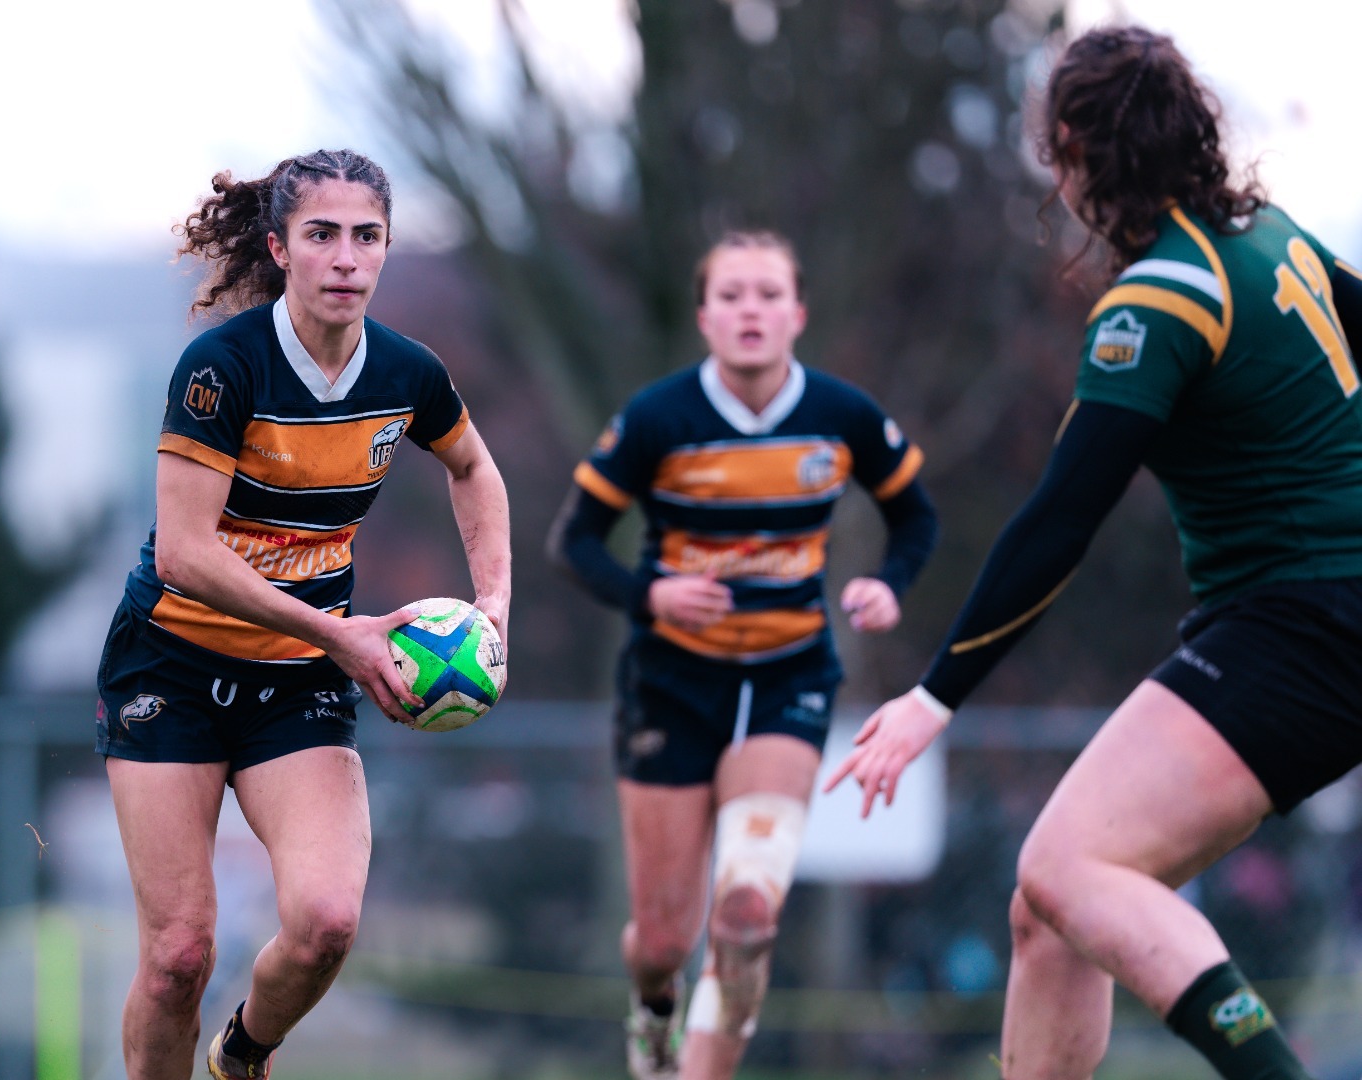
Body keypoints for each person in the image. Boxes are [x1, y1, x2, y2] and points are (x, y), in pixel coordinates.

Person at [827, 26, 1362, 1080]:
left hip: (1300, 626)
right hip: (1314, 622)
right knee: (1047, 910)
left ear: (1075, 149)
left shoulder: (1161, 299)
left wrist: (935, 699)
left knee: (1069, 864)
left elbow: (1058, 521)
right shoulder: (1280, 240)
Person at [96, 148, 511, 1080]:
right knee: (177, 958)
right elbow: (183, 554)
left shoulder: (408, 373)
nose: (345, 258)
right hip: (170, 666)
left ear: (388, 248)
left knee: (326, 923)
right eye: (321, 235)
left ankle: (243, 1054)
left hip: (297, 685)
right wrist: (342, 635)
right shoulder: (221, 369)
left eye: (366, 237)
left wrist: (494, 607)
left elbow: (476, 468)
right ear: (280, 248)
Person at [550, 230, 938, 1079]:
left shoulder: (843, 416)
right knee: (661, 941)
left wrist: (890, 585)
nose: (750, 310)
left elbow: (917, 515)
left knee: (748, 915)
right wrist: (649, 594)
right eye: (731, 296)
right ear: (704, 318)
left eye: (767, 294)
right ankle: (653, 1005)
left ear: (798, 313)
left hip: (786, 678)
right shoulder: (658, 418)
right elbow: (573, 542)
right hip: (669, 685)